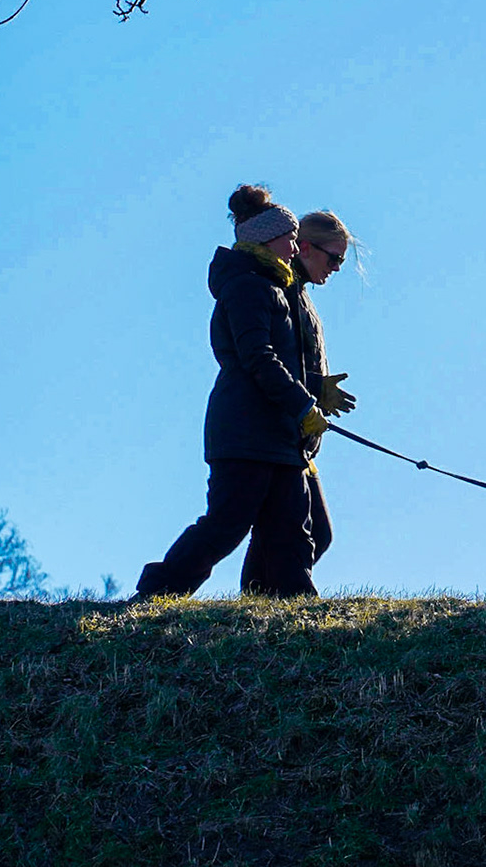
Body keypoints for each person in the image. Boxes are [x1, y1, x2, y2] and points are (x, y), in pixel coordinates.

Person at [135, 185, 329, 599]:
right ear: (266, 238)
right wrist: (302, 404)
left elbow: (288, 361)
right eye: (290, 237)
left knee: (293, 528)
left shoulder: (278, 288)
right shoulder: (248, 287)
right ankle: (158, 590)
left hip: (279, 436)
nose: (296, 246)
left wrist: (309, 399)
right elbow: (257, 358)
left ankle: (298, 605)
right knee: (227, 524)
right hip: (243, 433)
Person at [241, 209, 359, 594]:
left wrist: (318, 388)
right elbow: (271, 360)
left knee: (299, 534)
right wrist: (311, 391)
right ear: (305, 247)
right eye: (334, 257)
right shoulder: (282, 289)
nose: (338, 267)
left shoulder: (300, 293)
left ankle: (255, 602)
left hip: (298, 438)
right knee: (298, 534)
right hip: (278, 434)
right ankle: (268, 602)